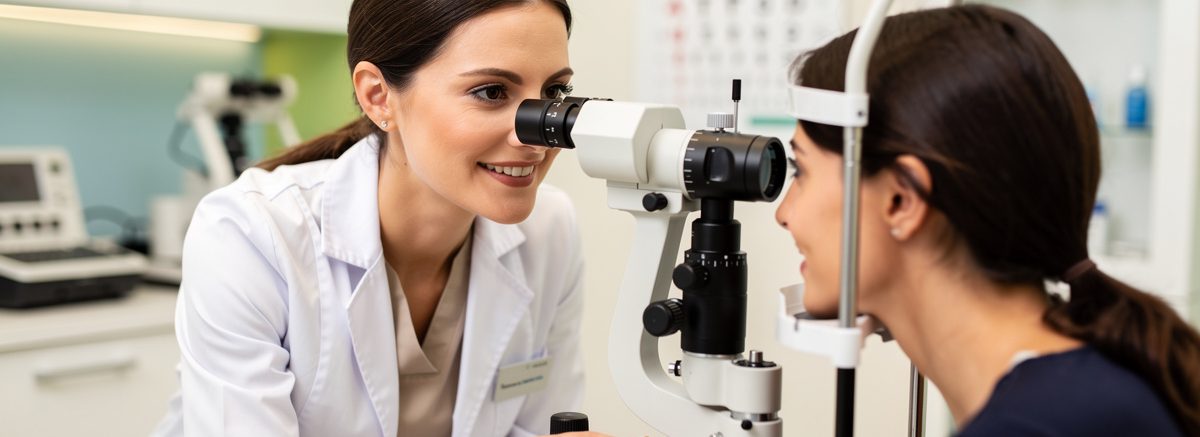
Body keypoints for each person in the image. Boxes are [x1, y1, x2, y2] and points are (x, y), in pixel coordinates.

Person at [152, 1, 587, 436]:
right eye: (492, 92)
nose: (537, 137)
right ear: (379, 96)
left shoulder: (550, 230)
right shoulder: (249, 234)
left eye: (554, 95)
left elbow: (542, 423)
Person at [775, 5, 1200, 436]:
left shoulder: (1036, 425)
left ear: (901, 199)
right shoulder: (1082, 389)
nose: (783, 214)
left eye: (801, 171)